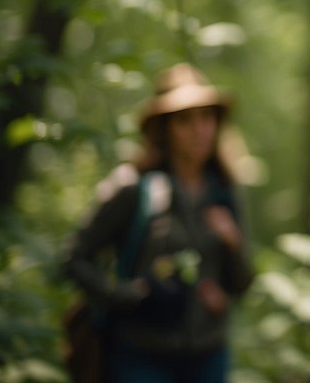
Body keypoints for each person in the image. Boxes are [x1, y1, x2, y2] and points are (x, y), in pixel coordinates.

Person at [63, 63, 255, 382]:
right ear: (163, 128)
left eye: (206, 117)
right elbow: (74, 258)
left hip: (209, 356)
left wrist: (232, 244)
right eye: (184, 120)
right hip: (141, 355)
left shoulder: (225, 191)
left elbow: (243, 284)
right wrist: (124, 295)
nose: (199, 130)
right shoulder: (133, 187)